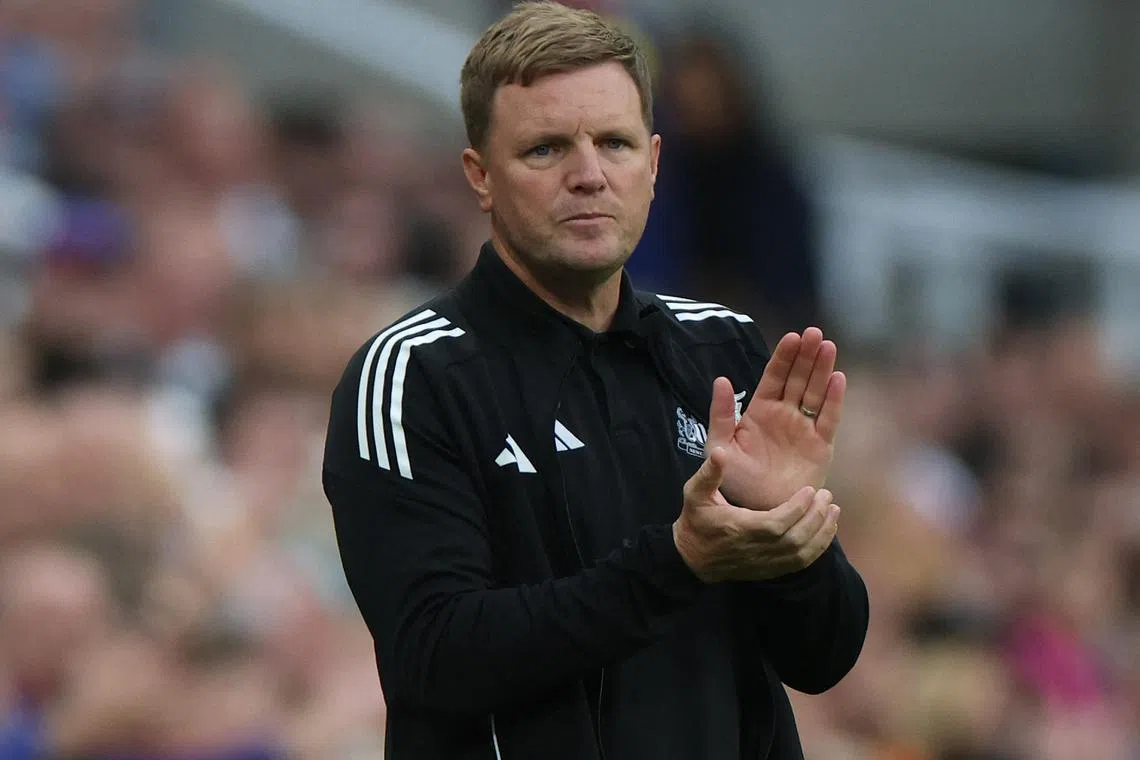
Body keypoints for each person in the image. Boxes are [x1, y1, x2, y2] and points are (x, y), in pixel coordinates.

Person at [321, 3, 869, 758]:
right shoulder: (414, 374)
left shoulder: (723, 346)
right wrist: (677, 561)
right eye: (545, 149)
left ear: (653, 163)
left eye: (614, 143)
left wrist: (791, 541)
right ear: (480, 176)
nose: (588, 176)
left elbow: (823, 657)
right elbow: (435, 657)